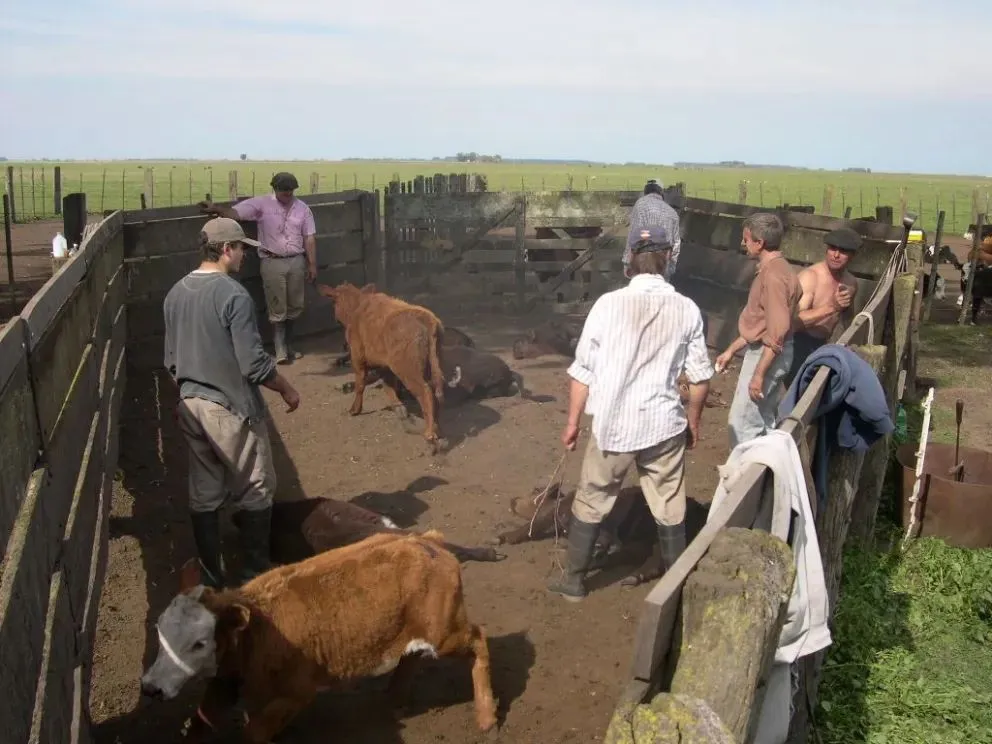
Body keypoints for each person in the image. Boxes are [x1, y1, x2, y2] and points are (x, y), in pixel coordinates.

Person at [547, 226, 713, 602]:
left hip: (614, 425)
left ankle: (574, 582)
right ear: (667, 258)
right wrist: (693, 421)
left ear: (630, 261)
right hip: (663, 424)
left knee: (593, 496)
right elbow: (701, 379)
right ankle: (674, 588)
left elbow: (582, 372)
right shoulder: (686, 308)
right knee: (669, 504)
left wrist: (572, 423)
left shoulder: (607, 305)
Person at [163, 216, 302, 589]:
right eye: (242, 248)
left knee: (205, 490)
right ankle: (255, 574)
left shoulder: (175, 293)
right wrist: (287, 388)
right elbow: (253, 364)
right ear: (226, 250)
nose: (245, 256)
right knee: (256, 484)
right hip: (229, 408)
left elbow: (171, 361)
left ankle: (212, 573)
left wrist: (186, 397)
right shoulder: (234, 296)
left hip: (191, 405)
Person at [200, 172, 317, 364]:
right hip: (272, 261)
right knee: (277, 304)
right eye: (283, 190)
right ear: (275, 189)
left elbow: (309, 237)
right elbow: (236, 213)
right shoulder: (262, 204)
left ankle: (289, 344)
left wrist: (312, 264)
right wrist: (216, 208)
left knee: (296, 304)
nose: (287, 193)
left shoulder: (303, 209)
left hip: (296, 260)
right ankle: (280, 348)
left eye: (290, 190)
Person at [715, 213, 801, 450]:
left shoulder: (773, 277)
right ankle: (766, 477)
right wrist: (731, 350)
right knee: (763, 420)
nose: (743, 244)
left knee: (742, 424)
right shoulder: (780, 269)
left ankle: (747, 479)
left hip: (768, 355)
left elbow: (777, 330)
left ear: (760, 242)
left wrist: (759, 374)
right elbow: (763, 323)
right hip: (772, 352)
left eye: (746, 239)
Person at [782, 227, 861, 388]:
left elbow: (847, 318)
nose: (836, 255)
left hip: (823, 345)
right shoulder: (810, 277)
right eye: (832, 249)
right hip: (797, 344)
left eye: (843, 251)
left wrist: (852, 343)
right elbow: (794, 322)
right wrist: (832, 307)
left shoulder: (851, 283)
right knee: (799, 397)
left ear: (853, 256)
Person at [624, 178, 681, 281]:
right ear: (661, 192)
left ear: (646, 191)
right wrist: (671, 267)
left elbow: (633, 235)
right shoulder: (673, 213)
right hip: (663, 264)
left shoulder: (640, 204)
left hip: (642, 263)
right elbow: (676, 243)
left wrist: (627, 263)